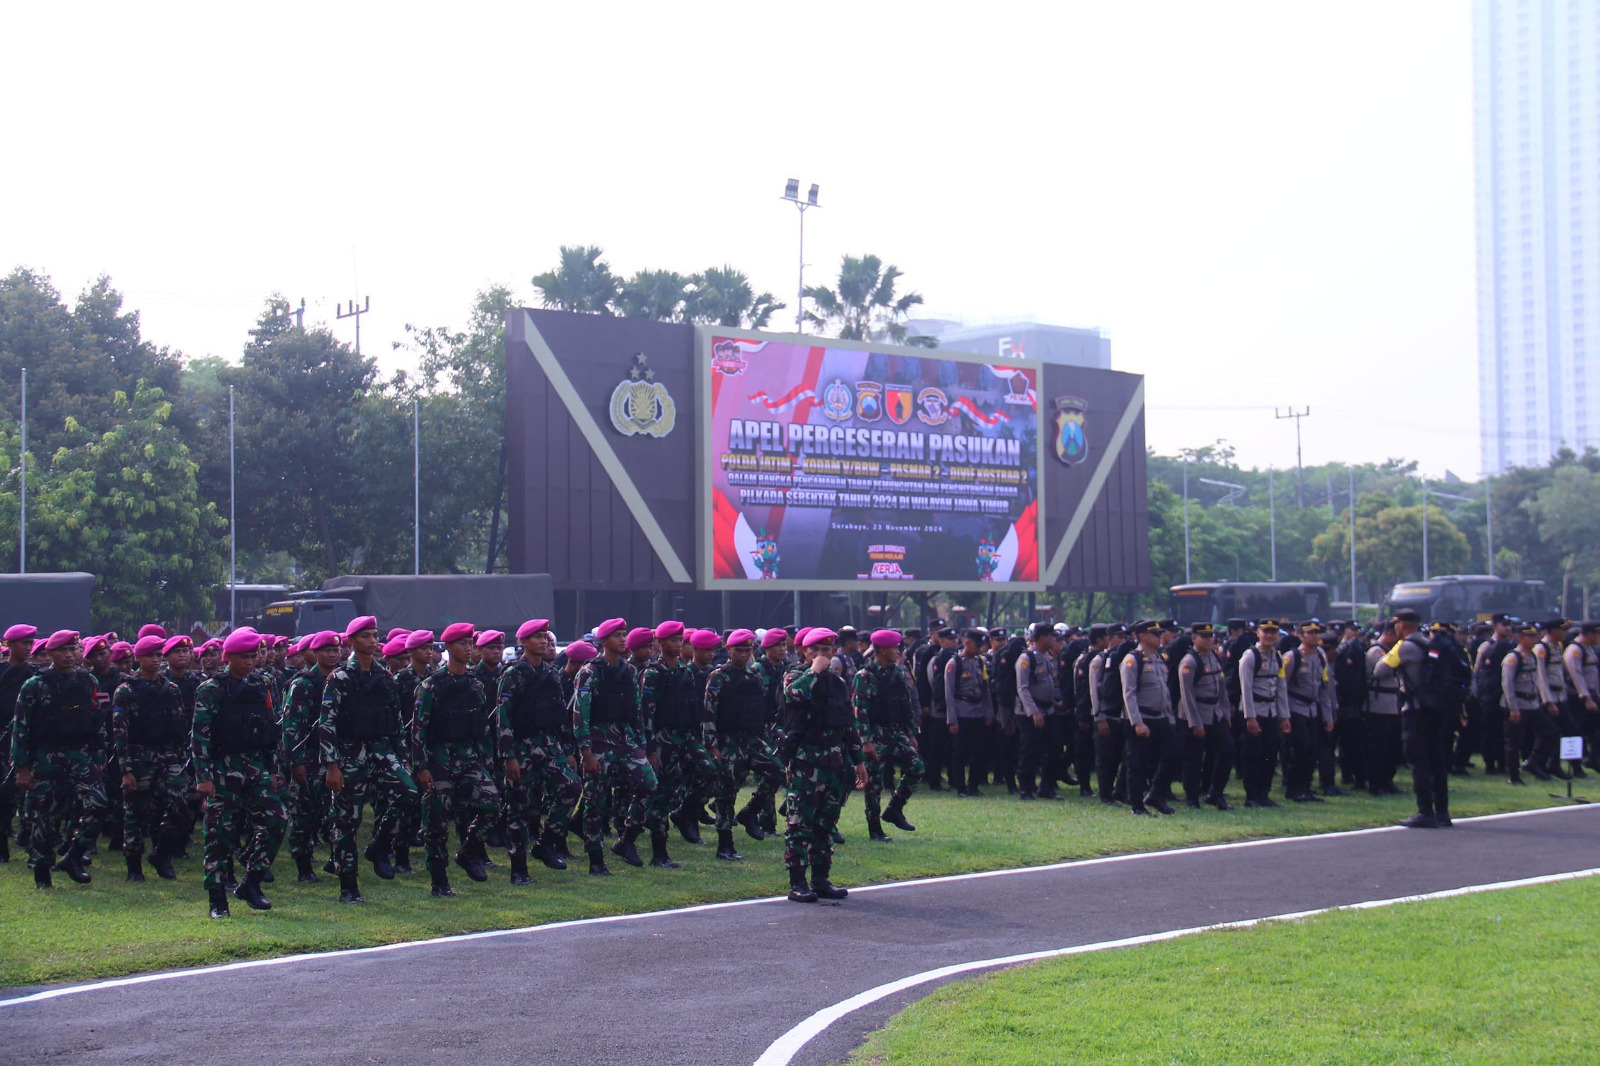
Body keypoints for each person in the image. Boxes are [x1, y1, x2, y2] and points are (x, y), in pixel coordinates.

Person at [318, 615, 420, 903]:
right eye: (366, 636)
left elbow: (396, 721)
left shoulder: (385, 677)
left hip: (382, 749)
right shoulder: (339, 678)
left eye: (375, 635)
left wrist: (404, 757)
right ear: (351, 641)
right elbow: (327, 723)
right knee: (346, 822)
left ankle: (378, 844)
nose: (373, 641)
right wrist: (332, 765)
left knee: (409, 793)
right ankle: (349, 886)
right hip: (350, 753)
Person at [192, 628, 286, 916]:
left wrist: (273, 769)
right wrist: (203, 777)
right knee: (219, 834)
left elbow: (271, 728)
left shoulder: (263, 683)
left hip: (254, 765)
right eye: (243, 657)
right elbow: (200, 735)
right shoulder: (211, 688)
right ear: (228, 657)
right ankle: (217, 899)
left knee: (277, 819)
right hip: (222, 768)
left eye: (253, 656)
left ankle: (251, 882)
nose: (250, 661)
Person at [11, 630, 106, 888]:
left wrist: (99, 756)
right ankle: (42, 871)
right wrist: (21, 768)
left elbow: (98, 718)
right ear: (50, 653)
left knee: (98, 804)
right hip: (45, 757)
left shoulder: (89, 681)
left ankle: (73, 856)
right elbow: (21, 728)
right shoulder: (34, 685)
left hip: (79, 754)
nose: (69, 654)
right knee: (45, 817)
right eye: (62, 650)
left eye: (73, 649)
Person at [413, 623, 502, 897]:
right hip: (439, 760)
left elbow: (483, 728)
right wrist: (421, 767)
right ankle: (439, 882)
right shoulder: (431, 686)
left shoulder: (475, 684)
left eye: (470, 643)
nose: (468, 648)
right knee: (437, 825)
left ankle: (468, 851)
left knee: (492, 803)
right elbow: (418, 730)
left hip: (469, 757)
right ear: (449, 647)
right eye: (462, 643)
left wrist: (487, 761)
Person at [781, 628, 868, 903]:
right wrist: (814, 671)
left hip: (834, 762)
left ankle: (821, 879)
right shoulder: (796, 675)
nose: (821, 655)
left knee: (826, 824)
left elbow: (847, 724)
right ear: (803, 652)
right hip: (806, 763)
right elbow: (793, 695)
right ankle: (797, 883)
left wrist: (858, 761)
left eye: (827, 650)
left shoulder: (838, 682)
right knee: (800, 824)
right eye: (815, 650)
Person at [497, 618, 583, 876]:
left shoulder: (551, 674)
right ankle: (519, 870)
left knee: (571, 788)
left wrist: (568, 751)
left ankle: (545, 844)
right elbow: (503, 717)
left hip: (549, 745)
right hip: (521, 747)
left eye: (545, 636)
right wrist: (508, 756)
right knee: (519, 808)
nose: (543, 641)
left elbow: (560, 715)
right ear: (523, 642)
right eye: (537, 637)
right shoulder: (513, 674)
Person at [573, 618, 658, 876]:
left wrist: (642, 745)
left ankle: (626, 840)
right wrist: (586, 752)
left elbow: (636, 711)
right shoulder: (590, 671)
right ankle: (596, 859)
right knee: (595, 801)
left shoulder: (629, 671)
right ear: (603, 640)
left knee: (649, 784)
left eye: (624, 634)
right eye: (617, 635)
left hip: (625, 739)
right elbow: (580, 714)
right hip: (598, 741)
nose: (623, 639)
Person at [111, 635, 189, 882]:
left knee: (181, 803)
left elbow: (180, 726)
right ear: (138, 658)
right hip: (138, 758)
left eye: (158, 655)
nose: (155, 660)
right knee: (135, 813)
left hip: (168, 757)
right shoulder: (125, 691)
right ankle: (134, 866)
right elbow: (120, 732)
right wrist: (126, 769)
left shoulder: (172, 689)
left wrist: (182, 759)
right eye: (149, 656)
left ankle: (162, 853)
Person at [705, 628, 786, 860]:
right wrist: (712, 745)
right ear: (728, 649)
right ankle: (725, 845)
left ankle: (750, 811)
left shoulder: (754, 675)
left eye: (747, 650)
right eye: (738, 650)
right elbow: (709, 712)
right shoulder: (718, 676)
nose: (743, 654)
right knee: (726, 793)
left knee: (777, 770)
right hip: (728, 741)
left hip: (752, 739)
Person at [639, 620, 713, 867]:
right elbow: (647, 714)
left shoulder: (685, 671)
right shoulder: (653, 673)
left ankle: (685, 813)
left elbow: (692, 706)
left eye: (680, 640)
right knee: (662, 794)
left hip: (686, 736)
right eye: (673, 640)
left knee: (709, 770)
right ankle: (659, 853)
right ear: (660, 643)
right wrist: (651, 749)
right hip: (663, 739)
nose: (678, 644)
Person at [1376, 611, 1460, 828]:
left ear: (1402, 625)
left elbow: (1379, 670)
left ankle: (1425, 811)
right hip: (1436, 709)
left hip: (1415, 710)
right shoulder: (1431, 644)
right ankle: (1442, 812)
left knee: (1418, 760)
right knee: (1436, 760)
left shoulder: (1404, 646)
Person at [851, 628, 923, 840]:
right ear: (882, 650)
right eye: (894, 648)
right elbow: (860, 711)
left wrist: (911, 733)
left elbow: (905, 704)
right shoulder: (865, 676)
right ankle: (874, 828)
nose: (899, 651)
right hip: (875, 733)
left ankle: (894, 809)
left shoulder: (897, 673)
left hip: (895, 730)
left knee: (917, 766)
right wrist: (866, 741)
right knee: (874, 782)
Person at [1120, 620, 1176, 816]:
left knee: (1173, 753)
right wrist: (1137, 722)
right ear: (1142, 636)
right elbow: (1129, 694)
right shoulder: (1133, 659)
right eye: (1155, 634)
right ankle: (1137, 805)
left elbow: (1164, 691)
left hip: (1160, 716)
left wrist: (1169, 716)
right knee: (1137, 763)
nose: (1159, 637)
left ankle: (1155, 794)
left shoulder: (1159, 658)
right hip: (1142, 717)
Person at [1177, 623, 1233, 809]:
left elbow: (1222, 689)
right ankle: (1192, 798)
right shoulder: (1189, 661)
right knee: (1193, 758)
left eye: (1210, 636)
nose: (1209, 639)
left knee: (1227, 749)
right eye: (1204, 636)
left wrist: (1225, 713)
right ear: (1194, 639)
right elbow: (1187, 695)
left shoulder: (1214, 657)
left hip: (1215, 712)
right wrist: (1195, 722)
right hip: (1196, 713)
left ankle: (1215, 793)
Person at [1237, 621, 1291, 808]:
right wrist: (1250, 717)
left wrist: (1284, 716)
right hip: (1254, 711)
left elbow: (1281, 688)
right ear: (1258, 633)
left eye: (1273, 632)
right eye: (1266, 632)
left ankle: (1264, 794)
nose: (1270, 636)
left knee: (1270, 755)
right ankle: (1252, 796)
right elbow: (1245, 688)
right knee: (1253, 755)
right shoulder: (1250, 656)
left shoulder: (1277, 656)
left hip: (1271, 711)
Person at [1282, 622, 1337, 802]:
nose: (1314, 636)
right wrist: (1284, 714)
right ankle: (1293, 788)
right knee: (1301, 748)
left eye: (1316, 632)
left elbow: (1324, 687)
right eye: (1309, 633)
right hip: (1296, 707)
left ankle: (1306, 787)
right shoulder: (1292, 657)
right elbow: (1282, 686)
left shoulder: (1320, 656)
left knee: (1313, 749)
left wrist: (1328, 716)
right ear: (1300, 635)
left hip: (1313, 708)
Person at [0, 624, 40, 865]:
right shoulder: (2, 673)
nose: (28, 647)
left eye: (30, 643)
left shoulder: (35, 675)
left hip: (27, 741)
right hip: (2, 740)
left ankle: (31, 842)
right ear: (10, 645)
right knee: (3, 793)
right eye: (24, 643)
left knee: (31, 796)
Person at [1502, 622, 1559, 784]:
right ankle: (1514, 776)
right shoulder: (1513, 658)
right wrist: (1513, 708)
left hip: (1533, 703)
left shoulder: (1532, 656)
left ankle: (1534, 761)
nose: (1534, 639)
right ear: (1520, 638)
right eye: (1530, 636)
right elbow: (1507, 685)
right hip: (1518, 704)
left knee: (1550, 732)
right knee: (1514, 742)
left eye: (1535, 636)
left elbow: (1537, 680)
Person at [1015, 622, 1064, 801]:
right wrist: (1033, 712)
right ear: (1042, 637)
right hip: (1029, 712)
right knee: (1030, 750)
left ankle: (1046, 787)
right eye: (1051, 636)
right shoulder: (1026, 658)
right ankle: (1026, 789)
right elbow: (1023, 688)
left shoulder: (1046, 657)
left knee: (1053, 749)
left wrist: (1055, 702)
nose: (1053, 640)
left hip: (1048, 709)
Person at [944, 629, 993, 797]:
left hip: (978, 712)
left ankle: (973, 786)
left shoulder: (980, 662)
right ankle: (960, 787)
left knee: (979, 751)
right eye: (977, 645)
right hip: (961, 712)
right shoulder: (954, 663)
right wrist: (952, 720)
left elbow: (985, 689)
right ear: (967, 643)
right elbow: (949, 693)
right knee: (960, 752)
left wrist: (989, 713)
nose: (980, 648)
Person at [1362, 622, 1403, 794]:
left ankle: (1387, 780)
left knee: (1392, 746)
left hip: (1391, 704)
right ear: (1389, 634)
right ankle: (1376, 783)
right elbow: (1385, 670)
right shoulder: (1376, 651)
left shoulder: (1388, 651)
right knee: (1379, 746)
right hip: (1378, 705)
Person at [1563, 620, 1600, 774]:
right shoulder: (1575, 650)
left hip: (1592, 694)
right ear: (1589, 634)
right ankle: (1576, 766)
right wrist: (1587, 698)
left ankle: (1594, 759)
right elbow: (1576, 676)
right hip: (1578, 698)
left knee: (1593, 730)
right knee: (1576, 732)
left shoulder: (1589, 649)